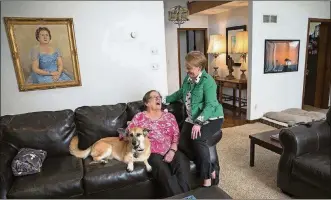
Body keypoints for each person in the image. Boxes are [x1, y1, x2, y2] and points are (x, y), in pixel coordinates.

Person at [163, 51, 224, 187]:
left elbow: (210, 105)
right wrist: (164, 99)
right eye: (186, 67)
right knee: (182, 143)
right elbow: (180, 93)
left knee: (197, 139)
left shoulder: (208, 82)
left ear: (199, 67)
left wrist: (199, 122)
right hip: (193, 118)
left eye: (189, 67)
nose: (187, 70)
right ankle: (211, 167)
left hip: (212, 118)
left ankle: (207, 179)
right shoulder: (188, 79)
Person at [126, 90, 191, 198]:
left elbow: (176, 135)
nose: (158, 99)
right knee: (164, 175)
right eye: (154, 97)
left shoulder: (169, 116)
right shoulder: (139, 117)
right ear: (146, 103)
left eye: (159, 97)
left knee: (183, 165)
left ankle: (187, 197)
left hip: (171, 148)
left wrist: (172, 150)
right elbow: (127, 134)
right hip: (152, 152)